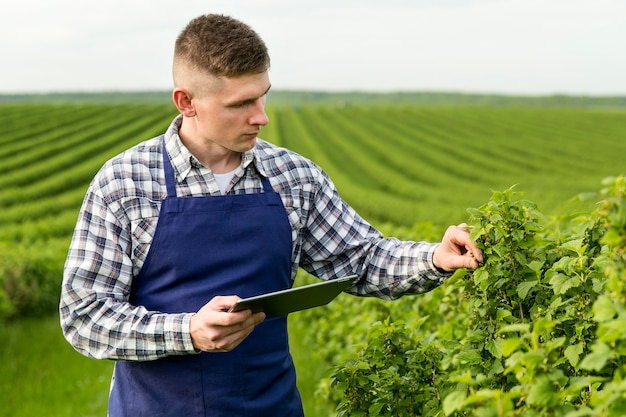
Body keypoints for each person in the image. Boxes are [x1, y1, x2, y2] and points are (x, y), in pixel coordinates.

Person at [59, 13, 483, 417]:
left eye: (263, 96)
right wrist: (188, 330)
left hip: (268, 405)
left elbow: (362, 258)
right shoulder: (125, 182)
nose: (261, 117)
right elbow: (84, 316)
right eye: (241, 103)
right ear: (186, 102)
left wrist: (434, 258)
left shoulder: (293, 177)